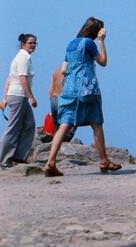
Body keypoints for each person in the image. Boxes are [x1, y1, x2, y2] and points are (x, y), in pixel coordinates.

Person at [43, 17, 120, 176]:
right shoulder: (89, 43)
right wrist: (102, 41)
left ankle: (50, 162)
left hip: (69, 89)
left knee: (64, 125)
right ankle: (103, 160)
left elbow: (64, 70)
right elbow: (103, 62)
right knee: (96, 124)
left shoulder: (71, 44)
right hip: (87, 89)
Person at [1, 34, 39, 168]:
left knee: (29, 124)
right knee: (13, 128)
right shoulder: (23, 58)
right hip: (18, 95)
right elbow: (22, 79)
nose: (33, 45)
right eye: (30, 43)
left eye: (35, 43)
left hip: (17, 95)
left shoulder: (22, 57)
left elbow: (9, 78)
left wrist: (4, 98)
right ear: (23, 44)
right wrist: (31, 97)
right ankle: (4, 160)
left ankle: (19, 156)